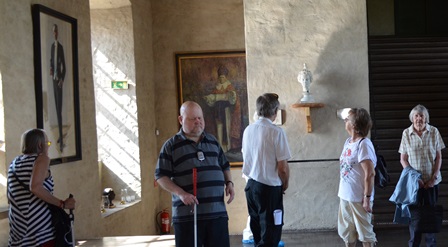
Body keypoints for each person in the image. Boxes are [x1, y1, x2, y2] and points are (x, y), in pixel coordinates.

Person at [155, 101, 235, 247]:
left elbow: (225, 165)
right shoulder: (171, 146)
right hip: (188, 216)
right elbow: (161, 176)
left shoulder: (213, 141)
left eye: (200, 118)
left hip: (217, 214)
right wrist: (181, 193)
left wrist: (229, 183)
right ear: (181, 120)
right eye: (193, 118)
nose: (198, 121)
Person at [7, 128, 76, 247]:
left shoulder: (14, 163)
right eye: (48, 143)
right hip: (40, 233)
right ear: (40, 145)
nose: (49, 147)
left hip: (17, 233)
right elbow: (35, 187)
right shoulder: (42, 159)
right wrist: (62, 204)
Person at [242, 93, 291, 247]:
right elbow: (282, 168)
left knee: (257, 232)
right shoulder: (276, 132)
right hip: (269, 189)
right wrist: (285, 184)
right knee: (271, 232)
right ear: (275, 111)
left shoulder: (248, 130)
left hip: (251, 187)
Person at [398, 104, 445, 247]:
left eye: (422, 116)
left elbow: (439, 157)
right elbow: (403, 159)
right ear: (412, 118)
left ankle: (431, 244)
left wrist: (434, 177)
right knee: (415, 215)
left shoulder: (434, 131)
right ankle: (414, 243)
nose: (419, 119)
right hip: (414, 184)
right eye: (416, 116)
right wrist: (414, 178)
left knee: (430, 214)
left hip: (432, 182)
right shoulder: (406, 133)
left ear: (426, 118)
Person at [338, 108, 377, 247]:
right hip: (345, 195)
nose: (345, 121)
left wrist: (366, 198)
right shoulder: (348, 141)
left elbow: (370, 173)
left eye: (347, 119)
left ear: (354, 125)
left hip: (359, 197)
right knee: (348, 232)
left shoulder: (364, 144)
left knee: (365, 234)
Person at [203, 65, 242, 153]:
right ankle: (220, 147)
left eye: (223, 77)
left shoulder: (230, 87)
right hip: (218, 112)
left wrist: (225, 97)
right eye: (220, 77)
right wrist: (210, 99)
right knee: (219, 128)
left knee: (227, 128)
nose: (221, 79)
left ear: (226, 77)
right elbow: (212, 101)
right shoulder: (216, 88)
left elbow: (233, 100)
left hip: (227, 112)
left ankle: (228, 147)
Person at [50, 24, 66, 152]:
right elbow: (52, 61)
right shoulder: (52, 47)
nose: (55, 33)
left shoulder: (60, 47)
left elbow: (64, 66)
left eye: (56, 31)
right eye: (53, 31)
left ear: (58, 33)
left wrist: (61, 79)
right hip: (53, 80)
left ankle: (61, 136)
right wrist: (51, 70)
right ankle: (60, 135)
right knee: (56, 109)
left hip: (59, 81)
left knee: (59, 109)